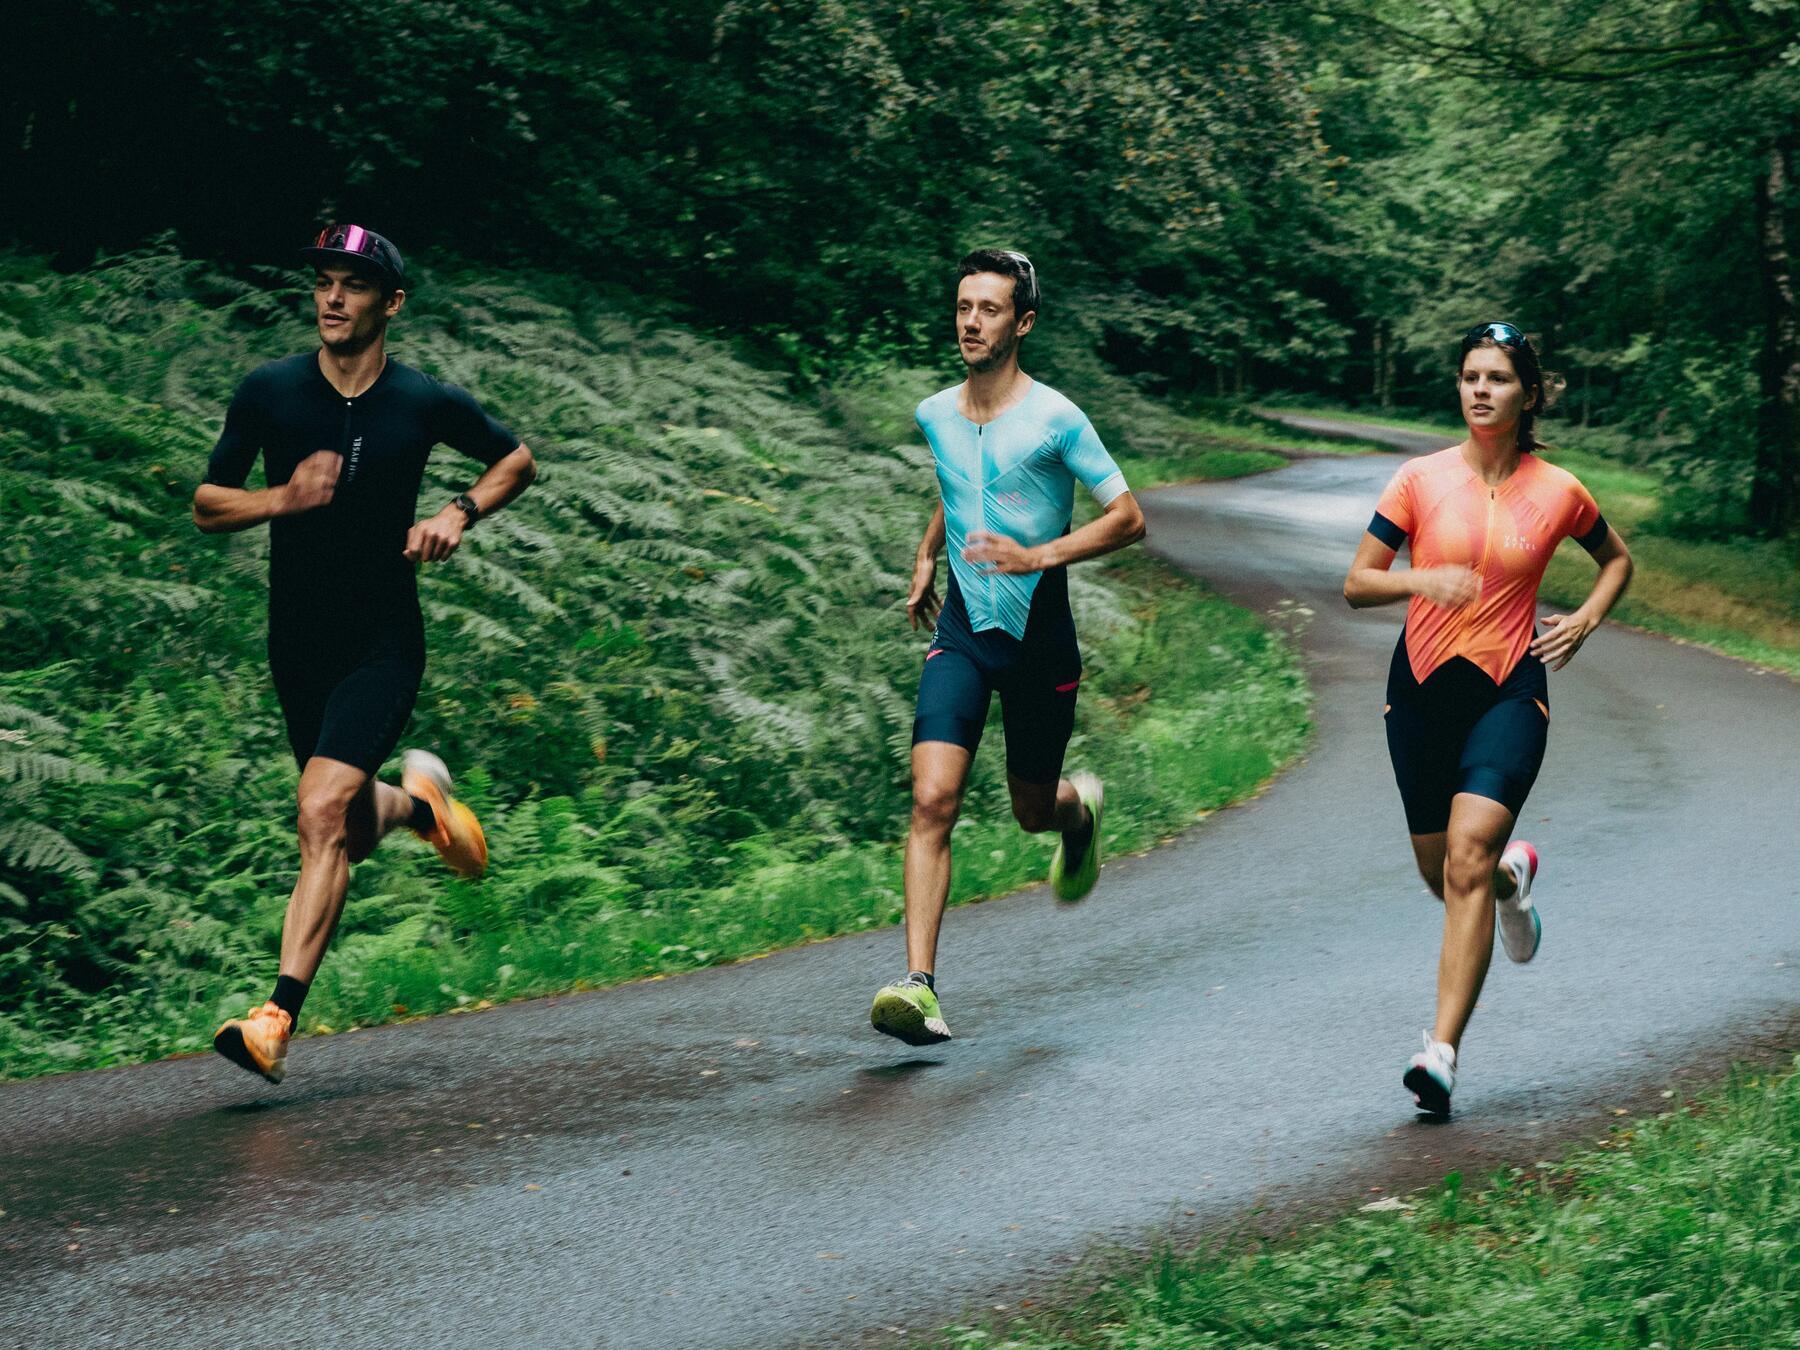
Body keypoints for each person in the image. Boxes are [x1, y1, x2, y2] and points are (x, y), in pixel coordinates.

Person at [192, 224, 537, 1084]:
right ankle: (420, 808)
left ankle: (274, 1018)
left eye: (353, 284)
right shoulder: (270, 392)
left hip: (383, 639)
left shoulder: (421, 401)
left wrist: (458, 511)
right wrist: (283, 496)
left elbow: (516, 459)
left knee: (316, 813)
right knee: (345, 823)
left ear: (392, 302)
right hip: (297, 642)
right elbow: (206, 503)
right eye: (322, 282)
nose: (332, 297)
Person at [1343, 321, 1632, 1115]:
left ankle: (1439, 1052)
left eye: (1497, 378)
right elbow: (1358, 582)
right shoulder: (1418, 480)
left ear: (1528, 394)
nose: (1479, 389)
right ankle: (1513, 881)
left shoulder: (1561, 491)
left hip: (1511, 689)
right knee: (1448, 875)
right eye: (1470, 375)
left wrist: (1588, 618)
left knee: (1465, 856)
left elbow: (1617, 559)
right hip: (1422, 690)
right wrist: (1418, 580)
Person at [869, 249, 1147, 1047]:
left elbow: (1128, 517)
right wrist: (929, 552)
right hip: (962, 633)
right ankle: (918, 986)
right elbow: (961, 484)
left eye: (989, 309)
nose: (970, 321)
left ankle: (1075, 809)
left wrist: (1039, 555)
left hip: (1039, 641)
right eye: (963, 305)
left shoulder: (1058, 418)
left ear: (1022, 322)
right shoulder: (935, 413)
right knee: (931, 801)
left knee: (1031, 810)